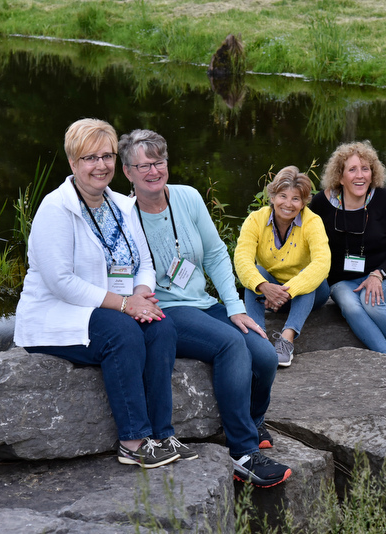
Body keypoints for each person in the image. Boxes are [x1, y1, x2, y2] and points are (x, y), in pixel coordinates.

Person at [14, 118, 198, 470]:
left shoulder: (120, 205)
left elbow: (143, 261)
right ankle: (133, 441)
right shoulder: (56, 209)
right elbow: (61, 282)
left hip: (111, 308)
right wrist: (126, 305)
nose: (100, 166)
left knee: (161, 325)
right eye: (89, 158)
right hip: (58, 313)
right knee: (123, 332)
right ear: (72, 162)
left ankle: (162, 434)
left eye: (107, 156)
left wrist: (142, 296)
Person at [119, 128, 292, 488]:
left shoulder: (188, 197)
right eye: (143, 165)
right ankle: (244, 454)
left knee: (263, 354)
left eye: (159, 161)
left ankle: (253, 418)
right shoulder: (123, 213)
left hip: (203, 302)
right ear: (127, 172)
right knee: (230, 345)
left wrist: (234, 307)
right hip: (164, 311)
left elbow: (214, 254)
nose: (153, 171)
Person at [310, 140, 386, 362]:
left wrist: (378, 274)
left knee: (370, 302)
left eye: (365, 169)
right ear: (340, 177)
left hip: (380, 272)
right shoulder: (322, 204)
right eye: (352, 169)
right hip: (341, 280)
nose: (359, 175)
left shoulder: (385, 200)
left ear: (373, 174)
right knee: (351, 307)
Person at [234, 166, 331, 367]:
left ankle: (286, 340)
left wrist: (287, 291)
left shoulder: (313, 222)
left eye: (295, 198)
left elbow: (322, 263)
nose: (288, 204)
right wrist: (264, 286)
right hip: (270, 292)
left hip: (310, 294)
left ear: (304, 202)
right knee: (256, 274)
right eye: (282, 196)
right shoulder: (256, 219)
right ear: (272, 196)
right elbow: (242, 259)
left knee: (309, 276)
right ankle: (258, 338)